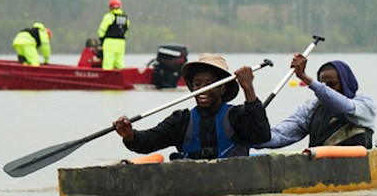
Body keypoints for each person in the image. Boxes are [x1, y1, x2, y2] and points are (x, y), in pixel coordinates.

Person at [113, 53, 271, 159]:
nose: (203, 89)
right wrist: (129, 135)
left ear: (222, 88)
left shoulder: (237, 115)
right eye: (197, 84)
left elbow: (262, 135)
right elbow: (149, 141)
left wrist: (248, 88)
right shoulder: (181, 120)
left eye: (209, 84)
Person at [256, 54, 376, 149]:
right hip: (321, 173)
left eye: (332, 85)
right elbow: (282, 135)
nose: (326, 90)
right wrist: (251, 139)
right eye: (322, 85)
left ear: (345, 83)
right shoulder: (312, 108)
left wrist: (305, 78)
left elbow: (344, 107)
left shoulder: (364, 104)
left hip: (358, 172)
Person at [97, 0, 130, 70]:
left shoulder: (109, 16)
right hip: (121, 43)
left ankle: (107, 79)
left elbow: (102, 30)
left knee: (108, 62)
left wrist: (101, 40)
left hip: (109, 42)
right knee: (119, 62)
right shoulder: (125, 18)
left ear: (110, 7)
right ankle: (120, 78)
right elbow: (126, 31)